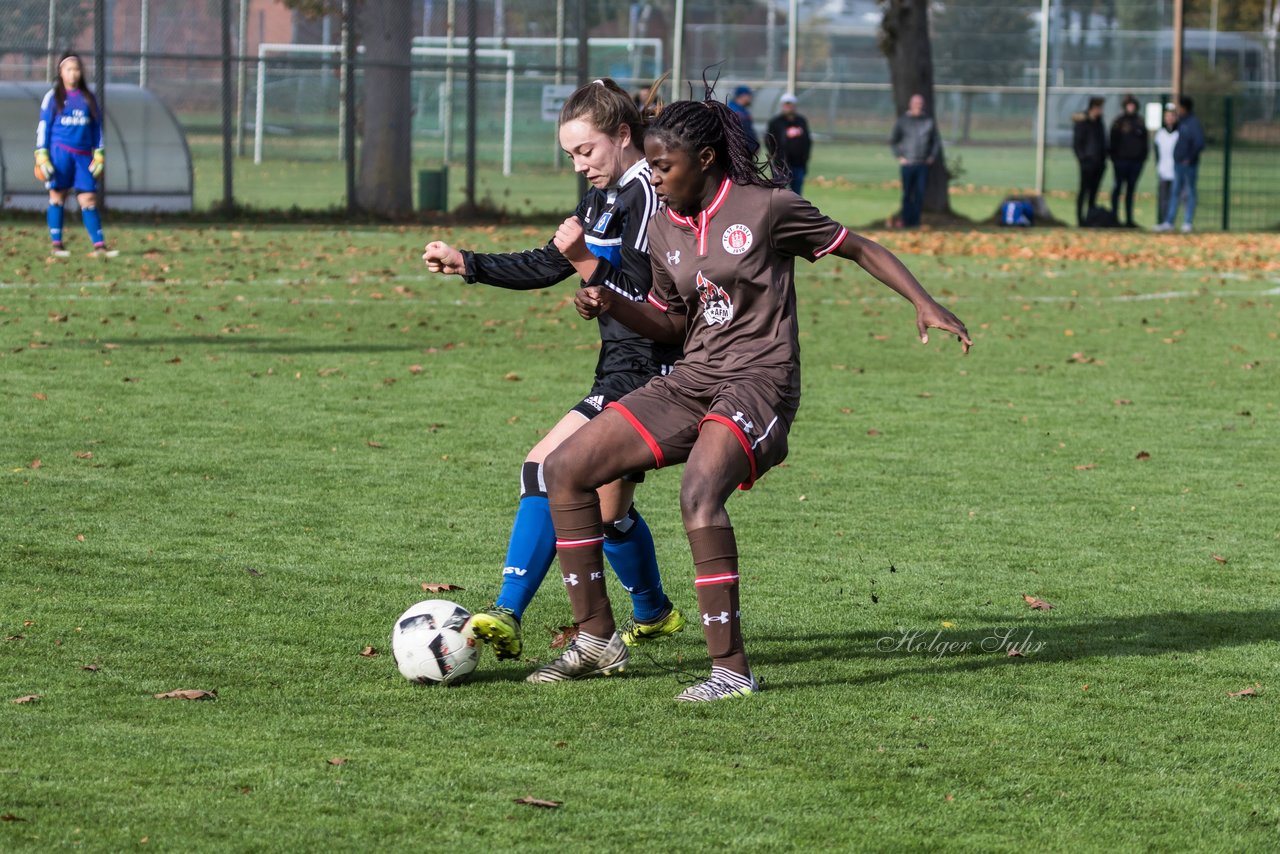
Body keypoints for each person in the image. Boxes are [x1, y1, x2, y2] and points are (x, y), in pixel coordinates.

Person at [529, 91, 972, 701]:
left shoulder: (768, 209)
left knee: (699, 494)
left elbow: (859, 247)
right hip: (691, 378)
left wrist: (925, 302)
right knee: (564, 468)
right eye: (651, 167)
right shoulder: (662, 225)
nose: (654, 178)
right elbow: (674, 326)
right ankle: (597, 639)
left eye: (665, 167)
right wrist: (609, 296)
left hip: (761, 381)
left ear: (705, 158)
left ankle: (731, 670)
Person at [421, 79, 686, 662]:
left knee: (544, 466)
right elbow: (550, 262)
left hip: (653, 366)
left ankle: (508, 610)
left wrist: (586, 262)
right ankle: (655, 613)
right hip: (620, 362)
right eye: (569, 155)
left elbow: (652, 296)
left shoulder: (648, 194)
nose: (578, 165)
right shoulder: (604, 193)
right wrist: (470, 263)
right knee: (610, 512)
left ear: (622, 136)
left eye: (585, 151)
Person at [35, 53, 117, 258]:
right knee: (57, 197)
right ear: (60, 72)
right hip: (59, 154)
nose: (73, 73)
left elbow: (97, 128)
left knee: (89, 199)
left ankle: (99, 247)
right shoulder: (53, 98)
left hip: (83, 157)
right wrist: (42, 154)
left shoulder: (88, 98)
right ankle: (57, 245)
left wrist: (99, 154)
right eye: (68, 69)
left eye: (77, 69)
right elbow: (43, 127)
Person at [1155, 96, 1206, 233]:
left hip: (1188, 165)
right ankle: (1169, 222)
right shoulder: (1182, 122)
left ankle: (1187, 222)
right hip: (1178, 164)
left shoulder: (1192, 123)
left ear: (1184, 108)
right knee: (1174, 193)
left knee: (1189, 193)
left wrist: (1189, 158)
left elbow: (1199, 143)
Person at [889, 94, 941, 228]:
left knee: (919, 194)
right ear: (911, 104)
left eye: (921, 103)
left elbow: (935, 141)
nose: (919, 106)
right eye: (917, 103)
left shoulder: (928, 121)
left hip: (922, 164)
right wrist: (900, 157)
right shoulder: (903, 121)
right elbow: (893, 141)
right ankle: (906, 221)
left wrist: (931, 157)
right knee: (907, 194)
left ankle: (915, 222)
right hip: (908, 164)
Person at [1108, 95, 1148, 227]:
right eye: (1128, 105)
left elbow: (1144, 143)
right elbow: (1112, 141)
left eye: (1133, 105)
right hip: (1121, 162)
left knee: (1130, 191)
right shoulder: (1118, 122)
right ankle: (1114, 217)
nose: (1131, 107)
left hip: (1135, 162)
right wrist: (1115, 158)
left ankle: (1129, 219)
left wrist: (1142, 159)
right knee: (1117, 189)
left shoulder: (1140, 122)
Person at [765, 93, 812, 195]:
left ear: (794, 105)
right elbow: (769, 141)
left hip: (798, 163)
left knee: (796, 195)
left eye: (790, 104)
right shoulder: (775, 122)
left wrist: (805, 159)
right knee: (779, 193)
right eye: (786, 104)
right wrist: (775, 156)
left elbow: (807, 141)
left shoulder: (801, 121)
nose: (788, 107)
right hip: (780, 165)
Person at [1072, 96, 1107, 227]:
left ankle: (1090, 218)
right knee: (1083, 192)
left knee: (1093, 193)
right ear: (1094, 108)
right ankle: (1080, 219)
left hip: (1099, 164)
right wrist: (1083, 159)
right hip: (1087, 164)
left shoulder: (1099, 123)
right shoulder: (1083, 123)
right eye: (1100, 108)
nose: (1101, 111)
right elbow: (1077, 144)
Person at [1152, 105, 1179, 226]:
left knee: (1174, 197)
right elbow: (1157, 152)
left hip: (1176, 170)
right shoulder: (1160, 134)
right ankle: (1163, 221)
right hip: (1163, 170)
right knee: (1163, 197)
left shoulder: (1179, 133)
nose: (1169, 118)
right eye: (1167, 116)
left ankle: (1170, 221)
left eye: (1172, 116)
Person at [726, 85, 760, 155]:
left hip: (746, 150)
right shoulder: (732, 110)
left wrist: (754, 146)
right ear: (743, 96)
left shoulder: (743, 110)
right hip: (738, 151)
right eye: (749, 95)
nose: (751, 98)